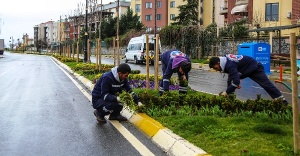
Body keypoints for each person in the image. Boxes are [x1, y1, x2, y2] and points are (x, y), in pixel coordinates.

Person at [209, 54, 288, 105]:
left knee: (266, 85)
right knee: (232, 83)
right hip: (246, 69)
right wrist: (228, 91)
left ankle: (283, 102)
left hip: (255, 68)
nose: (217, 70)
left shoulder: (229, 65)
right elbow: (230, 79)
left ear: (218, 63)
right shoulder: (225, 61)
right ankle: (230, 101)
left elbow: (236, 81)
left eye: (216, 68)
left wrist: (227, 91)